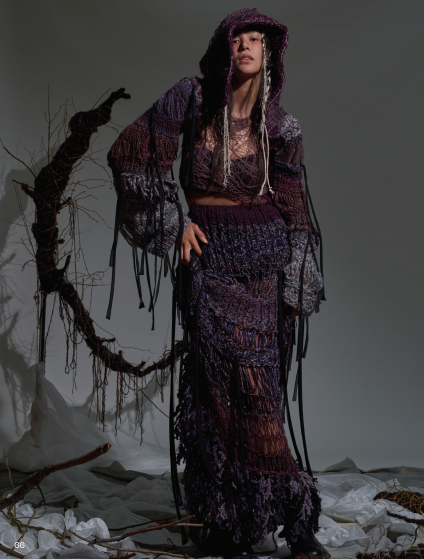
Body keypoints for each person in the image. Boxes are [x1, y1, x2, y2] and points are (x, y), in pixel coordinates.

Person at [107, 8, 326, 559]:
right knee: (214, 395)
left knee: (260, 393)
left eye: (256, 39)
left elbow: (296, 212)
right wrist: (173, 221)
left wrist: (298, 282)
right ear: (223, 48)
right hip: (208, 261)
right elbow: (132, 153)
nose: (247, 46)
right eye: (238, 38)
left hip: (265, 264)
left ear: (270, 53)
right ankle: (226, 520)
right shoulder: (192, 98)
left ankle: (294, 517)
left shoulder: (282, 128)